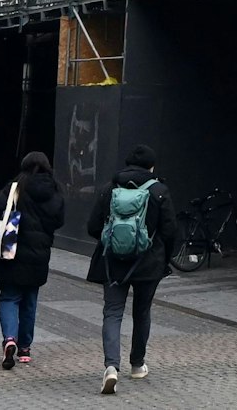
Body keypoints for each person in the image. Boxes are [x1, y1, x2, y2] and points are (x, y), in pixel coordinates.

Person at [86, 144, 177, 394]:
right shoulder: (159, 191)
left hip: (114, 263)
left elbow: (93, 226)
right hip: (149, 263)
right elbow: (170, 231)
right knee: (142, 311)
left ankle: (111, 367)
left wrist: (112, 241)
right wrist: (163, 257)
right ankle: (137, 365)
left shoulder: (109, 188)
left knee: (113, 312)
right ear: (152, 166)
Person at [0, 152, 67, 369]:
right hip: (39, 255)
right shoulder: (55, 190)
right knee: (30, 301)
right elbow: (59, 220)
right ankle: (24, 349)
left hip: (12, 253)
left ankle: (9, 338)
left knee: (9, 298)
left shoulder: (16, 186)